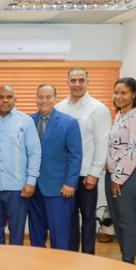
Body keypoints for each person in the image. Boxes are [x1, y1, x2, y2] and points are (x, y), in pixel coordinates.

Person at [56, 67, 111, 255]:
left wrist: (95, 173)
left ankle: (88, 257)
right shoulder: (59, 107)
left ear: (87, 82)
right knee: (68, 218)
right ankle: (70, 256)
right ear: (68, 82)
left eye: (81, 80)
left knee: (88, 218)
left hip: (87, 174)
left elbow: (102, 143)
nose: (77, 84)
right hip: (66, 175)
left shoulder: (98, 109)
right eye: (73, 80)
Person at [0, 85, 41, 245]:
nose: (5, 100)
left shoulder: (26, 121)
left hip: (18, 188)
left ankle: (15, 266)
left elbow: (35, 153)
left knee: (17, 233)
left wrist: (31, 181)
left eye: (9, 97)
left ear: (15, 99)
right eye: (1, 97)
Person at [29, 84, 82, 250]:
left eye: (48, 97)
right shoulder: (28, 121)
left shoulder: (69, 122)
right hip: (33, 188)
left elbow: (76, 155)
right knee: (36, 235)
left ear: (55, 98)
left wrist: (70, 183)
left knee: (60, 236)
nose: (44, 100)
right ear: (36, 99)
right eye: (40, 97)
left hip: (59, 188)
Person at [105, 77, 136, 264]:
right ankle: (125, 259)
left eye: (123, 92)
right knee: (117, 220)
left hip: (129, 176)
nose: (119, 96)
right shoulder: (120, 115)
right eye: (116, 92)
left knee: (127, 221)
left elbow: (134, 149)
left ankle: (129, 262)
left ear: (133, 94)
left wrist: (118, 178)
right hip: (113, 175)